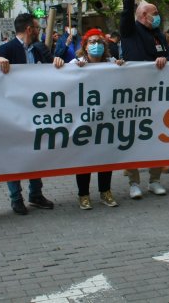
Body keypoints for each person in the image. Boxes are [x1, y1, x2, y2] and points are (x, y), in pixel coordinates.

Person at [120, 0, 169, 199]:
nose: (157, 17)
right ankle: (134, 182)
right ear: (143, 14)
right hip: (135, 93)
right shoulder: (130, 30)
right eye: (154, 13)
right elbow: (127, 10)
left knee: (157, 136)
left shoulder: (159, 35)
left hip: (158, 94)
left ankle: (154, 180)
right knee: (134, 138)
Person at [53, 29, 124, 209]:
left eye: (99, 42)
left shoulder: (111, 63)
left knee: (105, 155)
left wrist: (122, 68)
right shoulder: (76, 63)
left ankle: (105, 192)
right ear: (84, 45)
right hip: (82, 119)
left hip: (105, 117)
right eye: (92, 42)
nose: (96, 45)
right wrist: (61, 63)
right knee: (84, 157)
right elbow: (59, 77)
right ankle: (83, 194)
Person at [0, 13, 56, 214]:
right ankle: (16, 197)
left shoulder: (39, 49)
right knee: (14, 153)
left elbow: (52, 68)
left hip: (35, 110)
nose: (39, 31)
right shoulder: (6, 49)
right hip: (13, 111)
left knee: (35, 151)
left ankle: (35, 194)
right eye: (37, 28)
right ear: (29, 29)